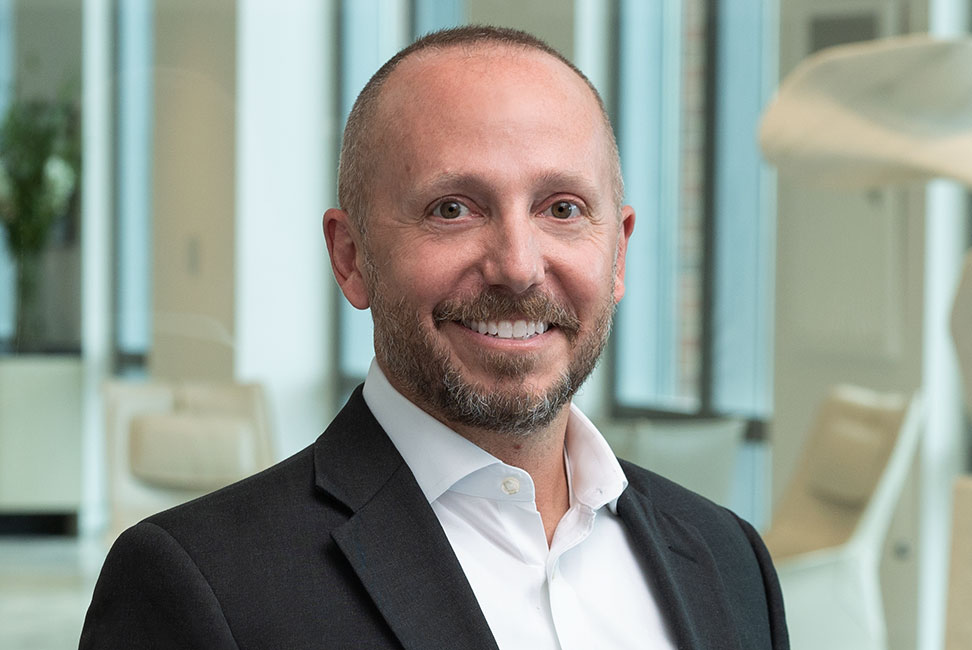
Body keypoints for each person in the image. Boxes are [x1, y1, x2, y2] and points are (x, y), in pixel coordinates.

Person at [80, 26, 788, 649]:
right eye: (453, 209)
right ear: (351, 257)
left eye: (562, 208)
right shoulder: (199, 586)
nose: (517, 264)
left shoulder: (730, 562)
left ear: (619, 253)